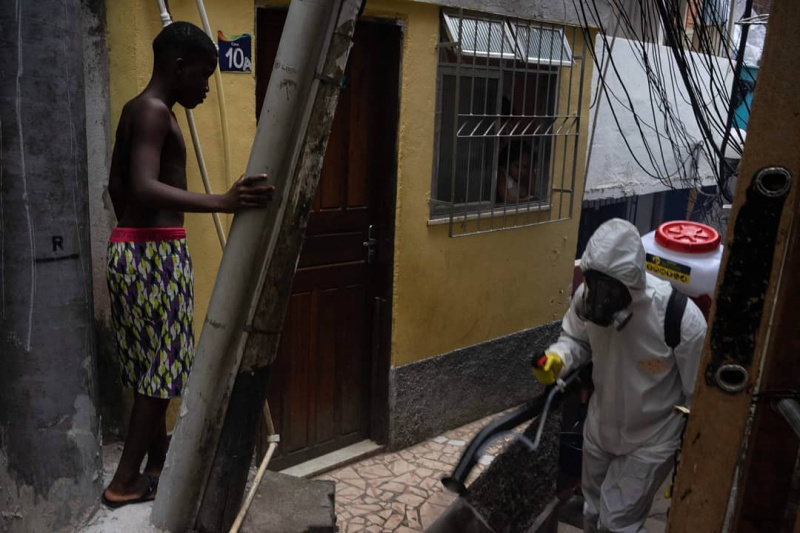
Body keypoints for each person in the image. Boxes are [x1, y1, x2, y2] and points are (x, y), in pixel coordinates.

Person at [102, 22, 275, 508]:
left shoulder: (139, 110)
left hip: (134, 246)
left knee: (147, 364)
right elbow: (140, 185)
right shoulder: (156, 113)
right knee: (161, 368)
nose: (205, 87)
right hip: (154, 252)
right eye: (202, 76)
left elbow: (118, 188)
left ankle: (157, 458)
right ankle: (123, 482)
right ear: (178, 67)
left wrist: (134, 238)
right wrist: (222, 201)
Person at [533, 218, 706, 533]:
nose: (599, 299)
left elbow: (699, 396)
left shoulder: (680, 319)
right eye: (594, 283)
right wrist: (558, 359)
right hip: (600, 427)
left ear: (632, 284)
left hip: (651, 439)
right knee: (591, 511)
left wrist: (689, 457)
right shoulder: (587, 297)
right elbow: (575, 340)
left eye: (608, 289)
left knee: (617, 523)